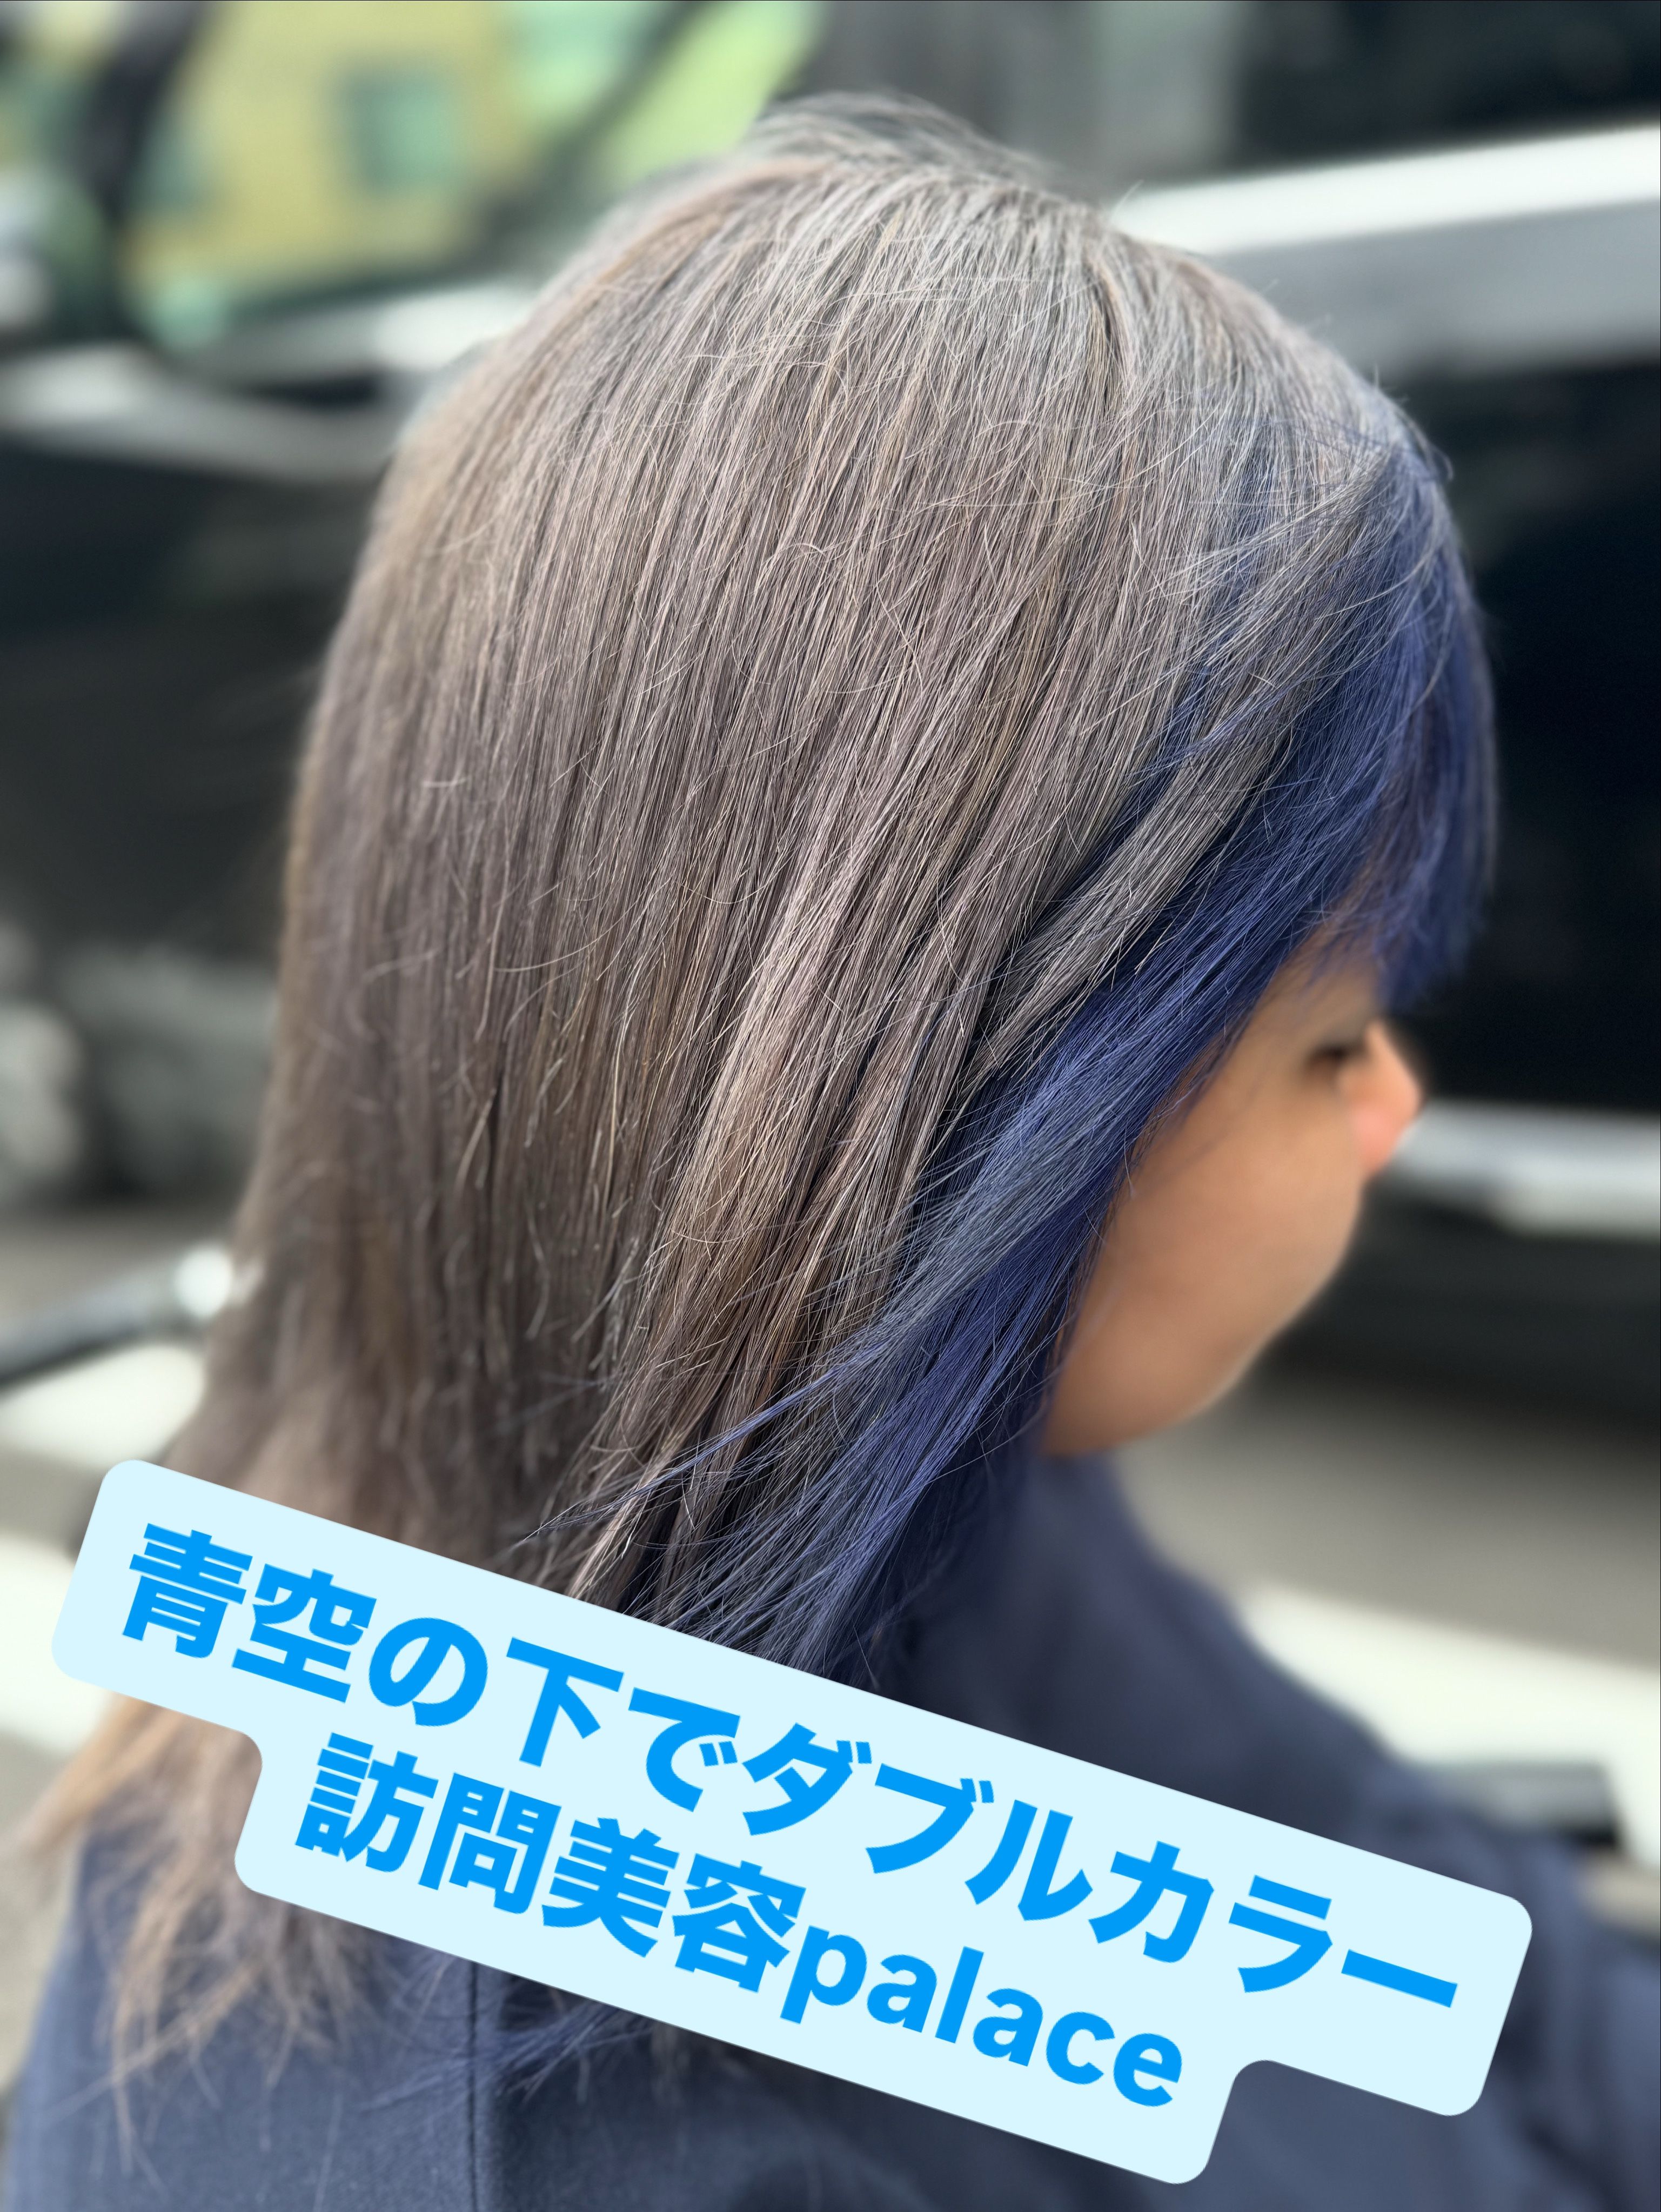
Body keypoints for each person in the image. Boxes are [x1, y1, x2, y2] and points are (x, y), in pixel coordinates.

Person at [4, 96, 1654, 2212]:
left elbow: (1396, 1883)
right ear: (961, 1126)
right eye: (1329, 1039)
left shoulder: (902, 1503)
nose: (1390, 1098)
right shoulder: (513, 2155)